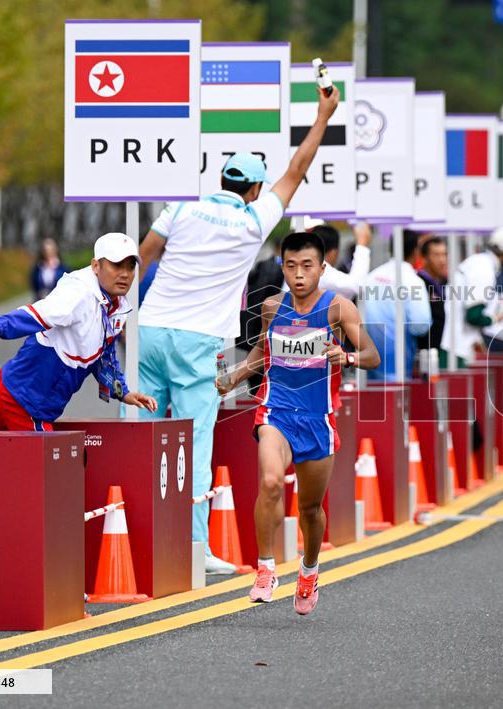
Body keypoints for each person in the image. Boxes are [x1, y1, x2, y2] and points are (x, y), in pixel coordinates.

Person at [137, 84, 341, 574]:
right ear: (253, 189)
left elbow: (143, 255)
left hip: (149, 328)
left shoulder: (181, 205)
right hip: (200, 339)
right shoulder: (253, 219)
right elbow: (297, 170)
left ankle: (138, 538)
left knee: (141, 436)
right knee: (194, 442)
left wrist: (121, 311)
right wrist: (323, 115)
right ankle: (194, 546)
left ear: (220, 179)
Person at [217, 231, 380, 614]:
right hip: (275, 410)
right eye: (291, 266)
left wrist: (347, 357)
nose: (299, 274)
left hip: (317, 418)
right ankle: (266, 569)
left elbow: (372, 354)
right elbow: (262, 353)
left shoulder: (338, 308)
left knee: (309, 509)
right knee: (271, 482)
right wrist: (233, 377)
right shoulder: (272, 306)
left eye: (307, 266)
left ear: (322, 268)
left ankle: (309, 570)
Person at [0, 233, 157, 430]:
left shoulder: (117, 305)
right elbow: (37, 313)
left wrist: (123, 392)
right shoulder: (77, 293)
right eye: (117, 265)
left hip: (16, 391)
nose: (125, 274)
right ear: (96, 266)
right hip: (25, 401)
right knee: (51, 452)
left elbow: (104, 356)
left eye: (130, 266)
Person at [360, 229, 432, 381]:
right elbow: (421, 324)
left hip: (367, 365)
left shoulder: (371, 277)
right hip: (398, 367)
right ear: (416, 251)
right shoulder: (412, 281)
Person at [441, 227, 503, 367]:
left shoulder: (478, 262)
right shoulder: (484, 270)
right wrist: (494, 318)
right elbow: (473, 316)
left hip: (453, 341)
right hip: (457, 347)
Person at [308, 222, 372, 299]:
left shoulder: (308, 266)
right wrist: (362, 244)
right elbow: (356, 285)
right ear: (334, 252)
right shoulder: (320, 269)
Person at [416, 236, 448, 366]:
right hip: (422, 355)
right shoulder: (418, 282)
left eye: (444, 254)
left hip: (440, 351)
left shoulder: (444, 283)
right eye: (436, 255)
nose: (442, 260)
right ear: (424, 258)